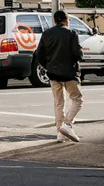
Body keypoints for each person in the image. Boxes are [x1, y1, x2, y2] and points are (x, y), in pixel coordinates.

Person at [36, 9, 83, 142]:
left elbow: (39, 54)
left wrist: (47, 65)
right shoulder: (71, 33)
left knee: (58, 103)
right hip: (69, 73)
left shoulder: (46, 34)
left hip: (53, 74)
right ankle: (67, 125)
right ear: (65, 20)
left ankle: (60, 134)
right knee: (77, 99)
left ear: (55, 21)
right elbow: (78, 54)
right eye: (68, 19)